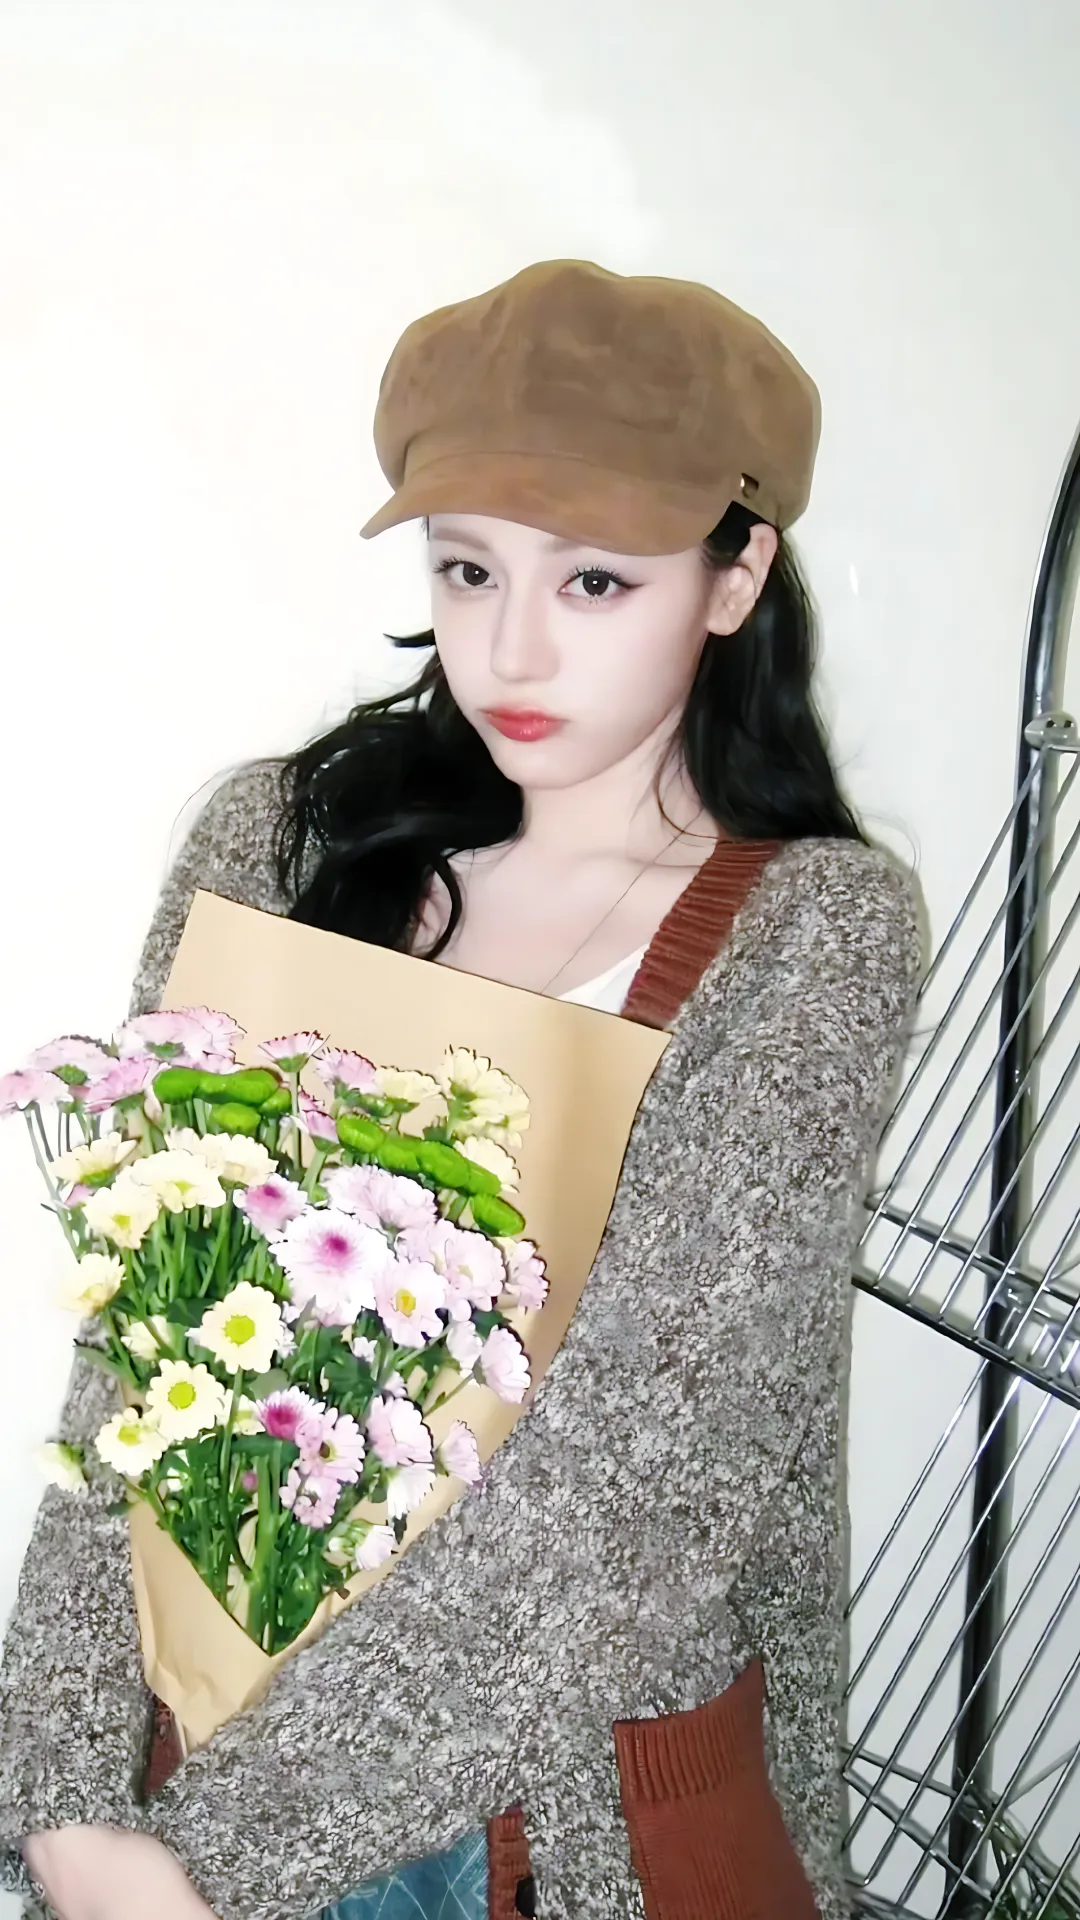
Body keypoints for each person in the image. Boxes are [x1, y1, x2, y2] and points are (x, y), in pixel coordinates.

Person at [0, 259, 925, 1920]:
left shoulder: (813, 934)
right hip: (168, 1779)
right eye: (468, 566)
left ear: (735, 579)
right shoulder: (280, 845)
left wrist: (199, 1864)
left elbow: (645, 1494)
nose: (510, 647)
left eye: (596, 582)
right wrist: (62, 1794)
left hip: (531, 1815)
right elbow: (137, 1366)